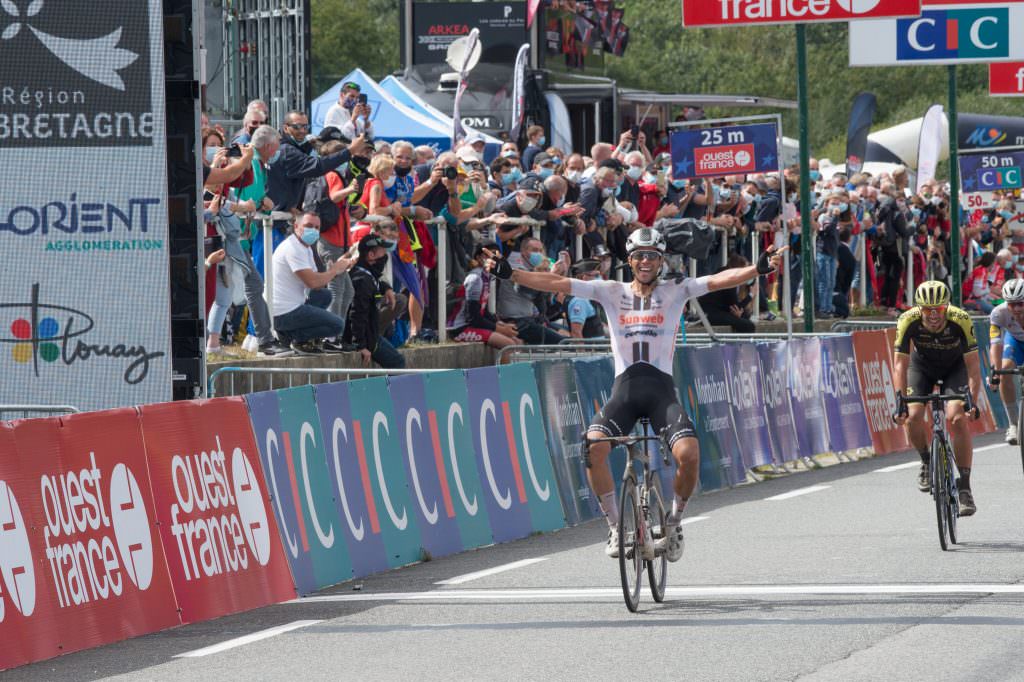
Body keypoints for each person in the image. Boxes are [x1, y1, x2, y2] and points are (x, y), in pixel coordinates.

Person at [484, 228, 786, 561]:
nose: (645, 262)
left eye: (652, 256)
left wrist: (757, 268)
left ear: (661, 261)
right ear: (630, 261)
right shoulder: (610, 291)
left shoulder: (677, 289)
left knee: (689, 455)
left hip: (661, 394)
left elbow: (718, 280)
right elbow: (556, 284)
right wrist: (509, 273)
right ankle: (615, 527)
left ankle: (674, 522)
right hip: (624, 392)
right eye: (639, 256)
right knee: (593, 447)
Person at [892, 280, 982, 516]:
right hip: (921, 368)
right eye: (927, 310)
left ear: (947, 306)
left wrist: (972, 400)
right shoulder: (907, 320)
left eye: (939, 309)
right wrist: (900, 400)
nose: (933, 315)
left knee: (957, 419)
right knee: (912, 417)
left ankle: (964, 486)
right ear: (918, 308)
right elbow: (900, 365)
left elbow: (973, 366)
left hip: (955, 369)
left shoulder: (960, 318)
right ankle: (925, 460)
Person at [271, 212, 355, 354]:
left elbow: (319, 284)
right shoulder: (293, 248)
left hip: (293, 306)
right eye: (309, 226)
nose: (314, 231)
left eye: (317, 227)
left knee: (324, 295)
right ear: (296, 226)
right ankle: (293, 338)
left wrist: (335, 267)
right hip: (282, 313)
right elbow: (313, 283)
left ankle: (298, 338)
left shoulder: (305, 247)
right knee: (337, 325)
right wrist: (334, 270)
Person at [345, 234, 406, 368]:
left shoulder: (364, 273)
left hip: (369, 332)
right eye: (383, 252)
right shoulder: (362, 280)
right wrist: (360, 345)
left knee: (400, 299)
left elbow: (376, 281)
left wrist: (387, 288)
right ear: (371, 255)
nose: (385, 256)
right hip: (365, 338)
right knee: (397, 362)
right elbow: (357, 314)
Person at [447, 243, 522, 350]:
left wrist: (500, 325)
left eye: (495, 255)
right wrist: (498, 329)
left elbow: (482, 311)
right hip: (459, 328)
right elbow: (472, 317)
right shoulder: (475, 278)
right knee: (509, 345)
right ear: (478, 257)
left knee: (517, 341)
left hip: (471, 325)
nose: (491, 258)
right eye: (487, 255)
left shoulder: (487, 276)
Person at [987, 279, 1024, 444]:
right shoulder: (998, 313)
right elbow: (995, 344)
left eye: (1021, 304)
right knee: (1005, 371)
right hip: (1015, 341)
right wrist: (995, 370)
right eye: (1012, 304)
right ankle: (1013, 424)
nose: (1016, 308)